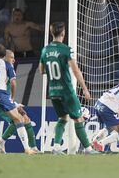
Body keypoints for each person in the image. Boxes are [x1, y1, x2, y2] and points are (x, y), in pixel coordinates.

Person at [39, 22, 98, 155]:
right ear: (63, 33)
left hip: (53, 91)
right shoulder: (66, 49)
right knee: (78, 118)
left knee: (63, 118)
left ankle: (57, 147)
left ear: (51, 32)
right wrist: (85, 88)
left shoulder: (45, 50)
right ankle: (88, 149)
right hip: (66, 91)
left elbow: (41, 71)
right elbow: (76, 70)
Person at [0, 50, 38, 153]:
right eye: (11, 57)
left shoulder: (4, 69)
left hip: (5, 101)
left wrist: (14, 103)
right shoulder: (4, 70)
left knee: (26, 118)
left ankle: (33, 148)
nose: (14, 60)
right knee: (18, 119)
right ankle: (1, 142)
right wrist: (14, 104)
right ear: (4, 57)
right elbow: (2, 91)